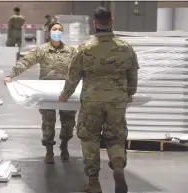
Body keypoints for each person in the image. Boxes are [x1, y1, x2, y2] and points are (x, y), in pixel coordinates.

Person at [58, 6, 139, 193]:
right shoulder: (125, 48)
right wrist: (129, 94)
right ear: (112, 22)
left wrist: (65, 95)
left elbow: (73, 76)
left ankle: (93, 182)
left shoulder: (85, 48)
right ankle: (118, 167)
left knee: (89, 138)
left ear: (95, 23)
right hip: (116, 101)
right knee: (116, 137)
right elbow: (132, 75)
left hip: (92, 101)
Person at [4, 23, 78, 164]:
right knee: (48, 122)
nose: (57, 31)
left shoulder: (71, 51)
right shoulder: (42, 50)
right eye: (54, 29)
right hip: (46, 93)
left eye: (60, 30)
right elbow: (26, 62)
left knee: (68, 122)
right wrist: (11, 75)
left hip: (66, 90)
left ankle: (64, 145)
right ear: (49, 33)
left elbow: (81, 67)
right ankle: (49, 151)